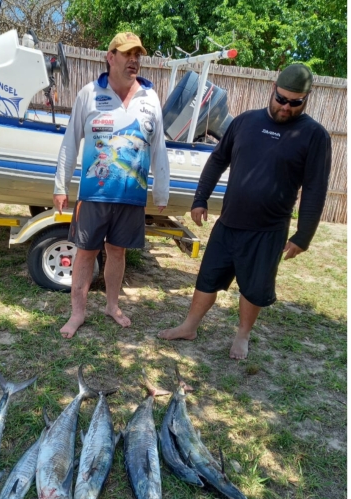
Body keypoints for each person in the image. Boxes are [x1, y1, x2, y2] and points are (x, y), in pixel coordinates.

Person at [158, 63, 331, 359]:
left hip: (268, 230)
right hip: (229, 223)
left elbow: (316, 188)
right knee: (207, 278)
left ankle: (242, 335)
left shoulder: (315, 136)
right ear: (272, 90)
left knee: (253, 289)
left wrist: (304, 235)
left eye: (295, 102)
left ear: (306, 99)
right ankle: (189, 326)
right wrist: (200, 199)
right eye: (281, 99)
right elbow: (217, 160)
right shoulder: (245, 122)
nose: (286, 107)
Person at [53, 32, 169, 337]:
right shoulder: (89, 94)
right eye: (127, 54)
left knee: (117, 253)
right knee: (85, 252)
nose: (134, 60)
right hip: (94, 194)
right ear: (110, 57)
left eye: (138, 55)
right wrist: (60, 185)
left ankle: (112, 305)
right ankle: (77, 313)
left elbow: (158, 147)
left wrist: (162, 190)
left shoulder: (150, 98)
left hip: (131, 197)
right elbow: (70, 140)